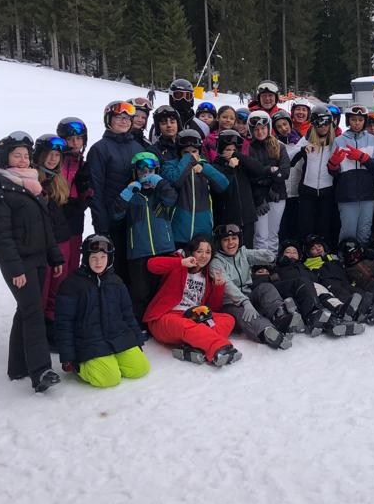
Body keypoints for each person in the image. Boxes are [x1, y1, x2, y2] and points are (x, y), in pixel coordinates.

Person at [0, 131, 65, 392]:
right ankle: (40, 371)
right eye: (16, 155)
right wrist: (14, 269)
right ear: (4, 158)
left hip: (38, 259)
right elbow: (1, 237)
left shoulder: (32, 186)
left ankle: (17, 366)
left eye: (26, 155)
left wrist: (54, 256)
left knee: (25, 310)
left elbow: (45, 226)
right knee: (33, 313)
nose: (22, 159)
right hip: (19, 264)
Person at [54, 235, 150, 386]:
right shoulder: (71, 285)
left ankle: (111, 359)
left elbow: (127, 315)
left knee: (140, 368)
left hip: (118, 336)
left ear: (109, 258)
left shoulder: (116, 282)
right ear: (86, 258)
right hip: (89, 342)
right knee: (110, 379)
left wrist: (137, 340)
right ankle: (82, 367)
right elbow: (64, 324)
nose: (98, 262)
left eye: (103, 257)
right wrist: (68, 357)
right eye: (94, 258)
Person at [145, 234, 242, 366]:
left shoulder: (206, 275)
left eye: (208, 252)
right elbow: (151, 265)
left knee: (227, 319)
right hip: (166, 318)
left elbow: (212, 309)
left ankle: (192, 348)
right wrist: (181, 262)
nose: (204, 256)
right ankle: (219, 348)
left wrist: (218, 287)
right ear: (191, 252)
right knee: (186, 325)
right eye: (199, 251)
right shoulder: (178, 263)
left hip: (193, 318)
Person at [112, 150, 178, 323]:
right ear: (135, 172)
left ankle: (160, 323)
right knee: (140, 292)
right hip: (139, 252)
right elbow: (116, 215)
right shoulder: (132, 194)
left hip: (163, 248)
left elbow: (172, 199)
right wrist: (127, 194)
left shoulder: (161, 192)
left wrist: (160, 182)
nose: (146, 174)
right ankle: (140, 324)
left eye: (151, 170)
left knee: (162, 289)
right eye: (142, 170)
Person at [209, 223, 295, 348]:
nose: (231, 243)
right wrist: (244, 301)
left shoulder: (243, 253)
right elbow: (227, 285)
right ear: (219, 243)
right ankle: (267, 331)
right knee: (243, 313)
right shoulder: (216, 263)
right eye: (226, 240)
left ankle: (280, 315)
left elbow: (258, 254)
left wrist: (271, 257)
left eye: (234, 238)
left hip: (248, 296)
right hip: (229, 304)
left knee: (266, 287)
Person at [87, 101, 146, 283]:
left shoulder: (137, 147)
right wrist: (102, 225)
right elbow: (95, 190)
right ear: (109, 120)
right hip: (112, 220)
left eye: (127, 118)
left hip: (135, 219)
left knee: (136, 269)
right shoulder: (100, 149)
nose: (124, 121)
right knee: (115, 268)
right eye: (119, 117)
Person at [32, 134, 73, 345]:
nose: (52, 159)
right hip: (43, 243)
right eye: (48, 154)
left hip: (62, 240)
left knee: (57, 287)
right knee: (42, 287)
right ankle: (38, 329)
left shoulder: (58, 180)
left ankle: (51, 324)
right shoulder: (32, 180)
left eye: (56, 155)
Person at [163, 129, 229, 247]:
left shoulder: (205, 166)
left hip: (203, 228)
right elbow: (175, 181)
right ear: (179, 152)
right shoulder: (170, 165)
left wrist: (204, 168)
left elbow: (223, 184)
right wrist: (187, 160)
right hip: (179, 229)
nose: (191, 155)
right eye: (186, 152)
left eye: (194, 151)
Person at [331, 104, 374, 245]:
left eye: (360, 120)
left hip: (368, 193)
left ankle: (363, 257)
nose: (357, 123)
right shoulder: (339, 140)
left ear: (365, 121)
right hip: (347, 194)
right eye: (353, 119)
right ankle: (345, 256)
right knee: (348, 231)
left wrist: (363, 158)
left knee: (364, 231)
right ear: (348, 120)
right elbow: (333, 172)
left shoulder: (373, 140)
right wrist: (333, 165)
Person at [55, 117, 91, 311]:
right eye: (70, 139)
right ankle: (54, 310)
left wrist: (85, 195)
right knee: (58, 268)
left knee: (72, 265)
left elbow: (87, 194)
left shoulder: (82, 163)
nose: (75, 143)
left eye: (79, 138)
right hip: (57, 219)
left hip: (75, 220)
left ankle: (68, 308)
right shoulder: (56, 161)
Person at [210, 130, 262, 248]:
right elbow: (219, 188)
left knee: (247, 249)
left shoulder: (242, 163)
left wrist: (239, 156)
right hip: (227, 219)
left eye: (234, 150)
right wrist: (229, 168)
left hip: (247, 217)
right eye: (228, 150)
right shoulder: (216, 167)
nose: (231, 153)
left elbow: (260, 170)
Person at [246, 110, 290, 252]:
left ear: (269, 127)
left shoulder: (279, 146)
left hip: (277, 194)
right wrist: (271, 171)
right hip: (259, 197)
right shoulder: (248, 148)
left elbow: (285, 172)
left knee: (273, 233)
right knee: (261, 235)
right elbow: (252, 175)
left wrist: (275, 185)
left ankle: (271, 261)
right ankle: (260, 262)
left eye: (263, 128)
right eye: (256, 129)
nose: (260, 132)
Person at [296, 104, 339, 242]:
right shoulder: (306, 140)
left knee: (324, 228)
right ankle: (305, 250)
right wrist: (302, 150)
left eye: (327, 123)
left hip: (327, 192)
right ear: (314, 124)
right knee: (305, 227)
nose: (324, 127)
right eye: (320, 123)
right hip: (307, 191)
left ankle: (324, 252)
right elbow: (289, 158)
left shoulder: (335, 142)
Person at [273, 110, 305, 246]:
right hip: (283, 193)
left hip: (298, 192)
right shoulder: (274, 145)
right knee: (282, 227)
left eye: (285, 124)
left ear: (290, 124)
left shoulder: (301, 141)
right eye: (279, 127)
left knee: (297, 226)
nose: (283, 128)